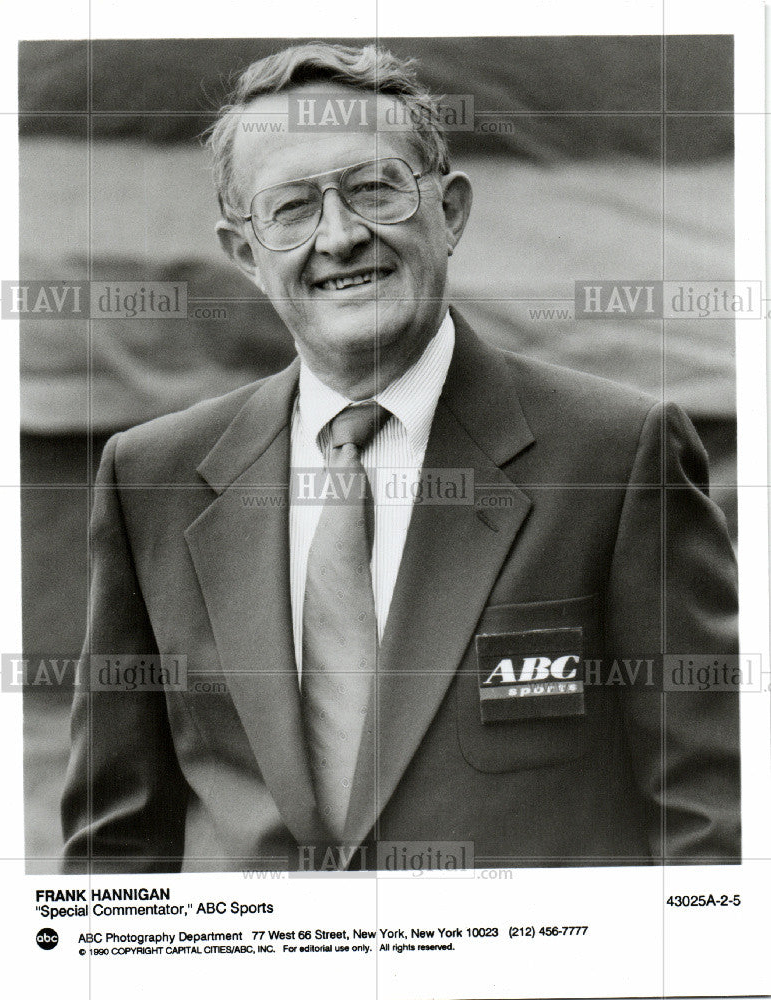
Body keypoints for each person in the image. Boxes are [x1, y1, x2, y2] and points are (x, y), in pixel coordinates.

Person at [61, 42, 740, 873]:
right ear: (245, 255)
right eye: (291, 209)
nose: (341, 237)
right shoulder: (151, 479)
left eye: (376, 188)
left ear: (450, 211)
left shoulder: (618, 456)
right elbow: (112, 850)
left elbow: (710, 821)